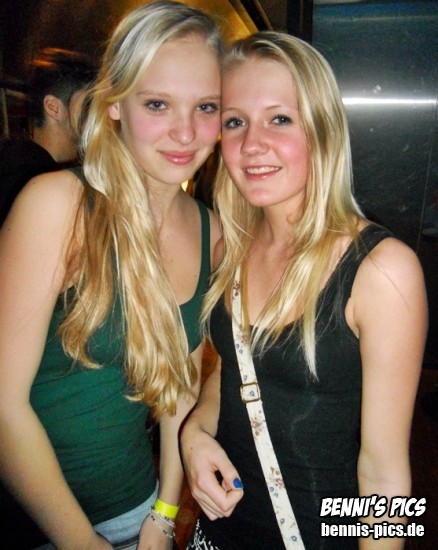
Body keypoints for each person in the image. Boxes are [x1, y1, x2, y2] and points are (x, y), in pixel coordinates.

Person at [180, 31, 428, 549]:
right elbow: (229, 375)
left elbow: (384, 474)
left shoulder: (381, 271)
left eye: (279, 119)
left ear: (322, 129)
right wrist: (195, 434)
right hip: (215, 536)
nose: (252, 144)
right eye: (235, 122)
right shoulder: (229, 251)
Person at [0, 1, 222, 548]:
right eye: (158, 104)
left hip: (139, 510)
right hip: (37, 524)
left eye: (206, 107)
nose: (185, 132)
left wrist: (164, 513)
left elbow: (179, 392)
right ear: (116, 104)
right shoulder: (59, 206)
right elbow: (4, 405)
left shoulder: (210, 229)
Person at [0, 47, 96, 226]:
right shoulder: (33, 177)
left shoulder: (17, 163)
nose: (99, 113)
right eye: (89, 103)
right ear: (53, 107)